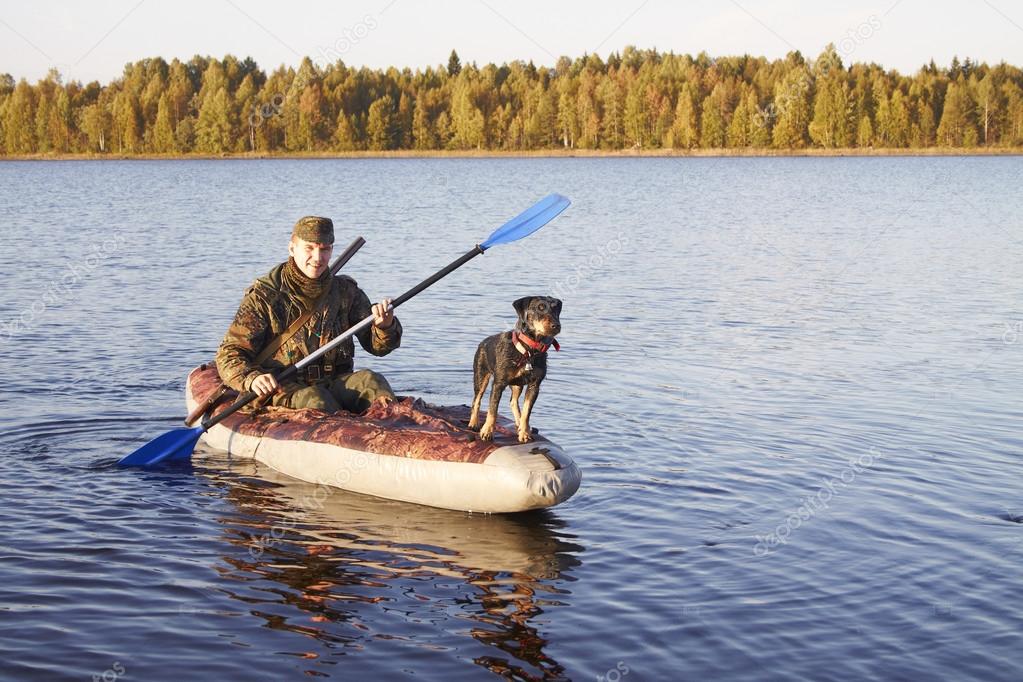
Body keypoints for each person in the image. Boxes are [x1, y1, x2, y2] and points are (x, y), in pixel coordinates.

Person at [215, 216, 401, 413]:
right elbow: (229, 354)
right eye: (309, 248)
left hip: (335, 381)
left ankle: (397, 432)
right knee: (317, 400)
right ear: (292, 248)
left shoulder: (346, 291)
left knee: (373, 382)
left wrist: (384, 327)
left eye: (325, 249)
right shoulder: (265, 296)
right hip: (282, 386)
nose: (318, 258)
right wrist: (252, 379)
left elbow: (378, 348)